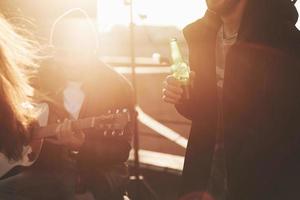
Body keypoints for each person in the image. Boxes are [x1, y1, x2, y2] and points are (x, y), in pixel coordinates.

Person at [163, 0, 300, 200]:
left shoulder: (288, 43)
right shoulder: (203, 38)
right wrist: (185, 96)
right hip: (203, 185)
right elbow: (208, 113)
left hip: (262, 188)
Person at [0, 8, 133, 200]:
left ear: (93, 50)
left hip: (96, 174)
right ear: (54, 51)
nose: (70, 62)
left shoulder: (116, 85)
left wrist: (82, 144)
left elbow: (120, 150)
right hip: (43, 170)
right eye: (63, 54)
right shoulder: (38, 75)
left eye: (78, 54)